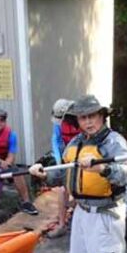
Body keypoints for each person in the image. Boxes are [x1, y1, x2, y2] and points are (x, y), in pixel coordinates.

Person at [29, 95, 127, 253]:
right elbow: (62, 173)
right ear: (77, 121)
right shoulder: (76, 142)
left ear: (101, 116)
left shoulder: (114, 142)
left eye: (92, 116)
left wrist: (103, 168)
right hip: (82, 212)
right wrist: (44, 173)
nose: (88, 122)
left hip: (107, 213)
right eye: (83, 118)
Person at [46, 98, 80, 239]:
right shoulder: (58, 126)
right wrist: (60, 161)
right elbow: (56, 141)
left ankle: (77, 221)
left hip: (81, 158)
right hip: (66, 158)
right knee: (62, 189)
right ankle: (61, 224)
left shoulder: (80, 120)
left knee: (80, 189)